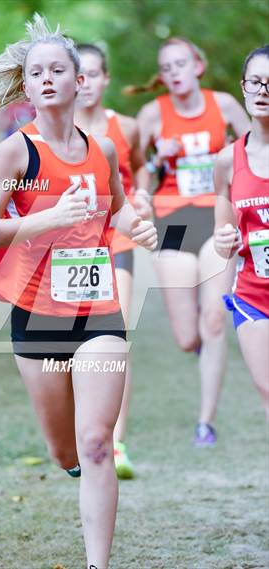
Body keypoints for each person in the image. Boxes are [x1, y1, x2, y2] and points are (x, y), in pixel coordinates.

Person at [0, 14, 157, 569]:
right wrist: (47, 216)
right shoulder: (15, 152)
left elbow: (119, 210)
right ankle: (74, 464)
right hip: (37, 312)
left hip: (99, 309)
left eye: (59, 70)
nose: (48, 79)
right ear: (25, 87)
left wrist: (137, 228)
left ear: (81, 82)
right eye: (36, 73)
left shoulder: (101, 147)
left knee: (98, 443)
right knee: (67, 451)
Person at [134, 37, 250, 446]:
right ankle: (201, 341)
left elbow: (255, 149)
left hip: (216, 214)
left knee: (215, 318)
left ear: (198, 65)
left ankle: (206, 422)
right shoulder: (152, 114)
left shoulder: (223, 106)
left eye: (181, 64)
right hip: (173, 221)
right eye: (167, 68)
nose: (175, 72)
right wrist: (154, 160)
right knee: (188, 337)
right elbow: (137, 171)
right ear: (162, 76)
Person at [75, 43, 152, 478]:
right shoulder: (55, 130)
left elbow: (139, 169)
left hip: (116, 241)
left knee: (116, 338)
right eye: (78, 74)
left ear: (106, 79)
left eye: (93, 74)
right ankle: (83, 432)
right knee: (70, 341)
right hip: (69, 249)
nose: (86, 83)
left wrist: (141, 194)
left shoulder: (127, 127)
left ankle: (116, 442)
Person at [214, 45, 269, 417]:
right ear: (243, 87)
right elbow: (224, 238)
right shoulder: (227, 160)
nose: (263, 91)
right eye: (255, 82)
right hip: (253, 295)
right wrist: (223, 240)